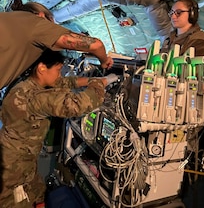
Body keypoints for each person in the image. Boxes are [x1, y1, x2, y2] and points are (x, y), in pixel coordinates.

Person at [0, 49, 118, 208]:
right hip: (14, 167)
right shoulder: (35, 98)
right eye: (57, 70)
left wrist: (92, 80)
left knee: (35, 189)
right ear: (42, 68)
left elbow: (63, 83)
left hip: (20, 153)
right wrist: (100, 84)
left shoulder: (25, 84)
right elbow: (77, 105)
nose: (60, 75)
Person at [0, 0, 113, 90]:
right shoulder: (36, 23)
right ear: (41, 15)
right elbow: (96, 45)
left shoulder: (10, 20)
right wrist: (104, 61)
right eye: (52, 24)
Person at [161, 0, 204, 75]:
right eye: (172, 13)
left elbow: (194, 72)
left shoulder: (200, 40)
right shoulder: (170, 38)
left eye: (178, 12)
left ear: (192, 14)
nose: (173, 16)